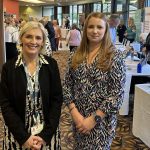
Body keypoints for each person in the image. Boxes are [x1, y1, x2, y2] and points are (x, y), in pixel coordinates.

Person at [63, 12, 126, 149]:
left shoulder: (114, 57)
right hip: (78, 119)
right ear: (85, 29)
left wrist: (94, 119)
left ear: (106, 30)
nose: (95, 31)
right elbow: (67, 86)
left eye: (99, 27)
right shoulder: (75, 54)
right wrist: (74, 113)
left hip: (101, 123)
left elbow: (116, 95)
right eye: (91, 27)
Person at [0, 21, 63, 149]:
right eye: (29, 36)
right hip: (18, 135)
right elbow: (5, 105)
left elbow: (56, 101)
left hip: (46, 134)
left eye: (38, 38)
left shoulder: (51, 65)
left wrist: (45, 136)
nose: (33, 41)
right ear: (21, 38)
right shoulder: (9, 67)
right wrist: (24, 137)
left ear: (42, 41)